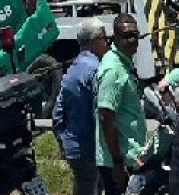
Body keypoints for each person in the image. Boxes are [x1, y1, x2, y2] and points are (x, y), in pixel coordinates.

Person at [53, 19, 110, 195]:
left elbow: (57, 112)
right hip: (89, 147)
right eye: (104, 38)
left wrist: (63, 139)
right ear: (93, 42)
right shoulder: (96, 70)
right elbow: (102, 113)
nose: (107, 42)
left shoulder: (73, 69)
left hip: (74, 146)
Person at [96, 14, 146, 195]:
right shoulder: (113, 70)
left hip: (130, 155)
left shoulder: (124, 63)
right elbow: (106, 117)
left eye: (135, 35)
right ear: (115, 38)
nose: (132, 40)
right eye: (126, 36)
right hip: (118, 161)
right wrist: (118, 163)